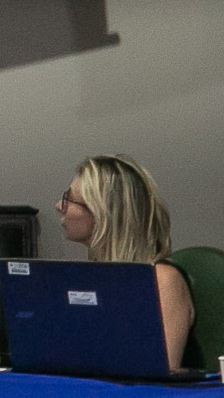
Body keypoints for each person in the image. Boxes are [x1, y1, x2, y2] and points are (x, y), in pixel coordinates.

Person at [58, 155, 196, 372]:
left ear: (102, 213)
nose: (59, 206)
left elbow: (161, 371)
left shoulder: (162, 280)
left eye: (69, 199)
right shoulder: (88, 275)